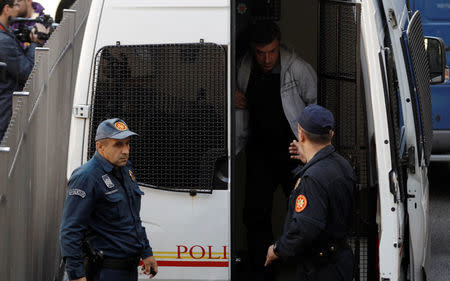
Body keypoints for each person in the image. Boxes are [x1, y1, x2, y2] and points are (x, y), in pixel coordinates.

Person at [235, 21, 317, 280]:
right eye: (260, 53)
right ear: (253, 50)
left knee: (302, 213)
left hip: (293, 152)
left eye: (271, 51)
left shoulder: (299, 69)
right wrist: (232, 97)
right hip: (259, 152)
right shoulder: (244, 68)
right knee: (255, 213)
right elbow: (235, 99)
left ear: (278, 44)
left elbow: (315, 107)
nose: (266, 58)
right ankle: (263, 271)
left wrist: (308, 148)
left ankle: (304, 269)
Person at [264, 105, 356, 281]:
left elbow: (305, 228)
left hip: (320, 269)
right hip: (341, 260)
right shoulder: (343, 165)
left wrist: (277, 249)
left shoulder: (312, 179)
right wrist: (309, 159)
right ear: (331, 135)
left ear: (301, 134)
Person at [60, 118, 158, 281]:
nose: (126, 150)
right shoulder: (86, 177)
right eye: (118, 145)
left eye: (127, 144)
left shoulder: (125, 169)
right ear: (100, 147)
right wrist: (77, 276)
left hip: (128, 270)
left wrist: (146, 252)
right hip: (105, 271)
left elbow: (134, 219)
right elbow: (70, 231)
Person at [0, 0, 42, 141]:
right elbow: (28, 72)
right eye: (16, 5)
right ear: (7, 9)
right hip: (4, 108)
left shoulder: (6, 34)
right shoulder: (3, 41)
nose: (19, 9)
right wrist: (35, 42)